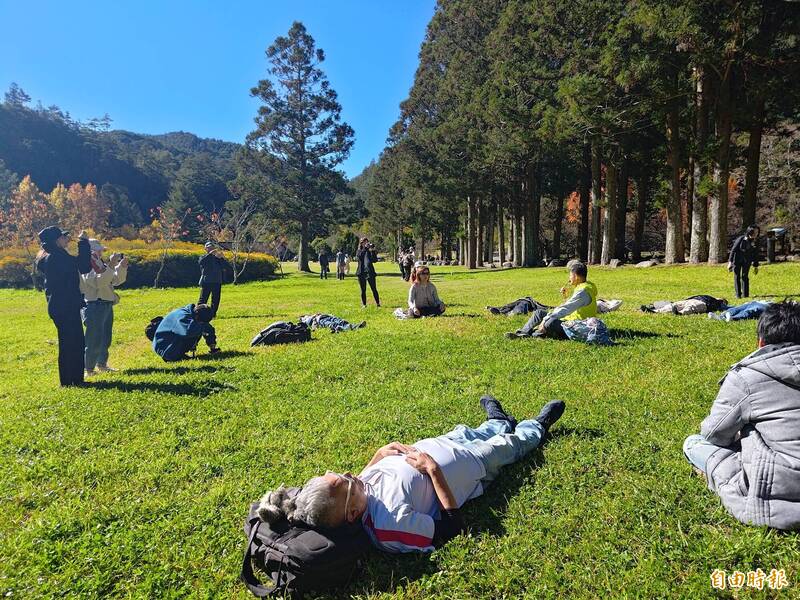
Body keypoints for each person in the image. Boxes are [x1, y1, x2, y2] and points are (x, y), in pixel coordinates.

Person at [257, 396, 566, 552]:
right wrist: (432, 470)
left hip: (443, 444)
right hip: (472, 466)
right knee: (509, 444)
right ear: (352, 514)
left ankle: (497, 419)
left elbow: (366, 487)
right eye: (348, 480)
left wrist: (377, 456)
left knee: (473, 431)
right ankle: (536, 425)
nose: (352, 473)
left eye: (338, 473)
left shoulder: (355, 494)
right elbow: (451, 528)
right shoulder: (390, 527)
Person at [683, 301, 800, 530]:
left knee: (693, 443)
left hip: (779, 491)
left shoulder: (747, 376)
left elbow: (714, 434)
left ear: (761, 342)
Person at [35, 226, 92, 386]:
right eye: (63, 237)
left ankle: (70, 380)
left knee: (69, 342)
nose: (66, 239)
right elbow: (83, 266)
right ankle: (71, 380)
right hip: (66, 306)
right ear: (56, 240)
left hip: (60, 306)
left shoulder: (51, 256)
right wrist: (83, 242)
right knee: (73, 342)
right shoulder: (57, 257)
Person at [506, 261, 597, 339]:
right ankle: (524, 332)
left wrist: (546, 319)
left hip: (577, 326)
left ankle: (535, 334)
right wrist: (565, 297)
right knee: (539, 313)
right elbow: (573, 306)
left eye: (570, 275)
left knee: (550, 322)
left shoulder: (583, 292)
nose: (569, 278)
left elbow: (566, 308)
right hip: (569, 320)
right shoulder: (584, 286)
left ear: (576, 276)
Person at [80, 239, 128, 375]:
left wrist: (121, 267)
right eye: (99, 250)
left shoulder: (99, 263)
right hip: (95, 304)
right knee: (94, 338)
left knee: (105, 337)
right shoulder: (87, 265)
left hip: (105, 303)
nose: (102, 252)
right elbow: (98, 282)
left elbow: (115, 280)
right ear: (92, 251)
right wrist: (112, 265)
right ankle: (88, 369)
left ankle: (101, 364)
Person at [152, 303, 220, 362]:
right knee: (196, 329)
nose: (202, 323)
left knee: (199, 327)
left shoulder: (193, 314)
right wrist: (202, 330)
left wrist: (212, 344)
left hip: (170, 342)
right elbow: (188, 332)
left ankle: (178, 355)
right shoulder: (183, 316)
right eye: (201, 321)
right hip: (164, 347)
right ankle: (173, 357)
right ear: (196, 316)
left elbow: (208, 328)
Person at [198, 242, 229, 318]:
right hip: (206, 281)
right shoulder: (203, 257)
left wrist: (222, 258)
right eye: (209, 248)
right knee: (203, 299)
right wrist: (210, 254)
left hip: (217, 281)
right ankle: (198, 313)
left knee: (215, 299)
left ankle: (212, 314)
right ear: (205, 249)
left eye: (212, 247)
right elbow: (202, 262)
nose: (211, 249)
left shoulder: (217, 258)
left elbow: (226, 267)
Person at [728, 225, 760, 299]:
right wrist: (730, 262)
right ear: (750, 232)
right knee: (737, 277)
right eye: (755, 232)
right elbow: (733, 250)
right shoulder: (741, 239)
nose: (756, 234)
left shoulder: (756, 241)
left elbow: (756, 253)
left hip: (747, 261)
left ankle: (745, 295)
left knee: (745, 277)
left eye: (757, 232)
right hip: (737, 260)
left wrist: (755, 266)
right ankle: (738, 294)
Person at [641, 295, 727, 315]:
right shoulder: (708, 296)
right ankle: (655, 311)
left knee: (691, 308)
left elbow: (724, 307)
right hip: (691, 300)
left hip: (703, 304)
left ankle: (681, 313)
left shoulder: (718, 303)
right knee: (673, 305)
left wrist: (722, 303)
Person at [356, 238, 380, 308]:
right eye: (365, 242)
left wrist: (372, 251)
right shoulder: (359, 251)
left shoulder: (369, 251)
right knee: (363, 290)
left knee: (374, 289)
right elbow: (360, 257)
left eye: (367, 242)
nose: (366, 244)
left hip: (370, 272)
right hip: (361, 272)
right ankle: (364, 304)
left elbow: (375, 260)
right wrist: (365, 249)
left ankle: (378, 303)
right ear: (361, 243)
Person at [708, 300, 772, 322]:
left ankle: (733, 318)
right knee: (735, 309)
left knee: (750, 312)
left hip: (764, 306)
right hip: (752, 303)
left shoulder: (774, 306)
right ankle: (721, 317)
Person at [299, 313, 366, 333]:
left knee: (341, 321)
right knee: (330, 324)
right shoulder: (304, 320)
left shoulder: (311, 315)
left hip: (326, 316)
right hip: (319, 321)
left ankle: (356, 326)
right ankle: (342, 328)